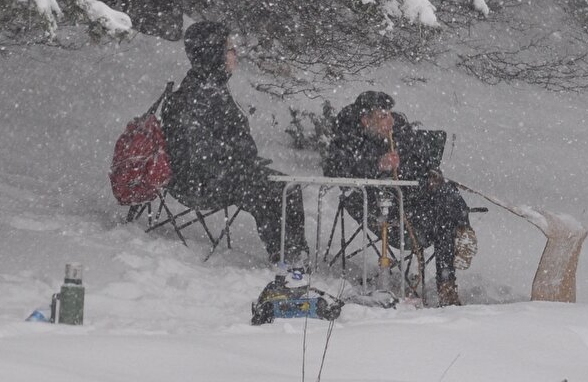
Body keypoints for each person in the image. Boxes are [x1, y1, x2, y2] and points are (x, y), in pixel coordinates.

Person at [161, 20, 308, 266]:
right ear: (213, 53)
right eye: (229, 48)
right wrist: (239, 158)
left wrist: (241, 157)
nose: (234, 53)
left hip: (224, 173)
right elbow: (199, 152)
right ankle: (284, 257)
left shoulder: (214, 88)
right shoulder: (196, 94)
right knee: (265, 189)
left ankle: (294, 254)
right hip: (198, 183)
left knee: (287, 187)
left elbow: (230, 141)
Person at [329, 89, 474, 306]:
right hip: (376, 204)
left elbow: (421, 160)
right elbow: (334, 170)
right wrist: (377, 164)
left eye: (389, 115)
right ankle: (450, 266)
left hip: (411, 200)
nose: (389, 121)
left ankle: (449, 277)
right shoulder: (347, 136)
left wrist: (429, 173)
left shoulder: (400, 131)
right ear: (366, 120)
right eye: (382, 117)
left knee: (446, 200)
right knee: (443, 220)